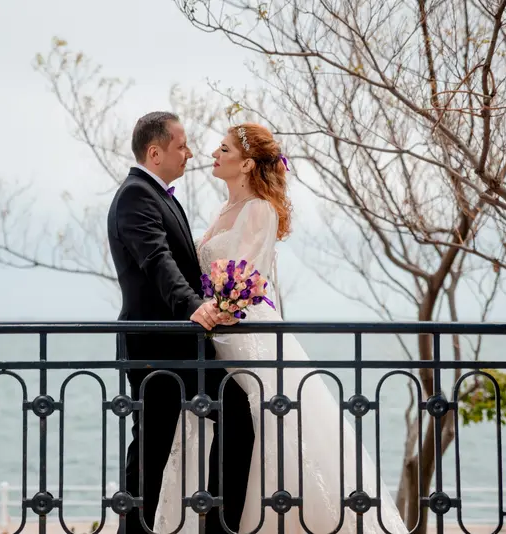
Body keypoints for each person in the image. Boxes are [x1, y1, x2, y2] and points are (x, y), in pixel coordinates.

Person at [153, 123, 408, 534]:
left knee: (271, 419)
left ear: (247, 163)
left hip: (245, 331)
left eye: (224, 149)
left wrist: (217, 310)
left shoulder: (259, 208)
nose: (212, 154)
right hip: (216, 333)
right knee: (222, 420)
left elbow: (247, 276)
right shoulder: (222, 209)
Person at [107, 112, 255, 534]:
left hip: (180, 346)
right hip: (156, 348)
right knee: (152, 451)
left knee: (231, 418)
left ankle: (215, 525)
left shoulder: (160, 195)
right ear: (155, 153)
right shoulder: (136, 196)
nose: (190, 153)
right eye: (181, 146)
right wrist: (194, 305)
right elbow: (157, 261)